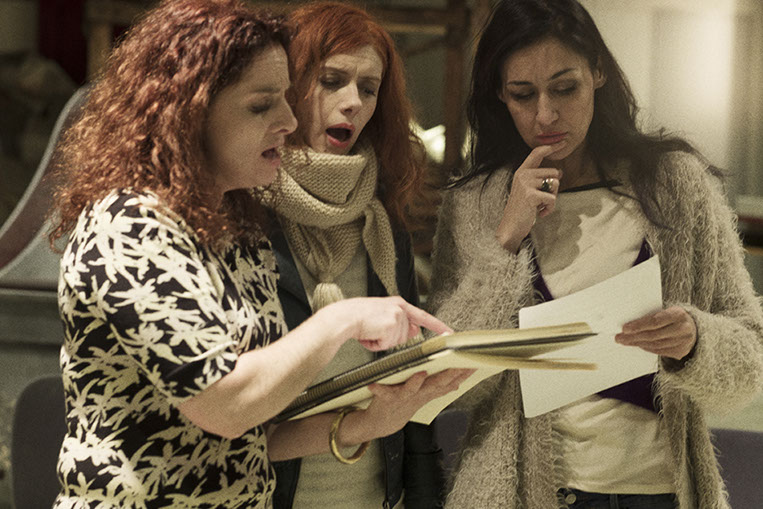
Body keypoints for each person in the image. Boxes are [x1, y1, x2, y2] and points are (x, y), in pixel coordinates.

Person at [47, 0, 465, 506]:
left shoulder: (233, 226)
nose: (289, 120)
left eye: (286, 99)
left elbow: (253, 436)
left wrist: (369, 422)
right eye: (262, 104)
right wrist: (342, 320)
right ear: (189, 112)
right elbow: (226, 404)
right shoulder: (129, 225)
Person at [427, 0, 763, 508]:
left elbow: (749, 362)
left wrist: (696, 340)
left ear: (598, 72)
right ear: (499, 94)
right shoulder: (476, 203)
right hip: (522, 494)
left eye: (565, 88)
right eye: (523, 95)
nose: (546, 115)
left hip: (657, 491)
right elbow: (449, 383)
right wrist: (505, 242)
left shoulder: (675, 185)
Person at [263, 3, 453, 508]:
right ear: (289, 85)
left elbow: (410, 383)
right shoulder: (246, 211)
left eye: (368, 89)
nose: (352, 102)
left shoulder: (380, 219)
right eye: (332, 80)